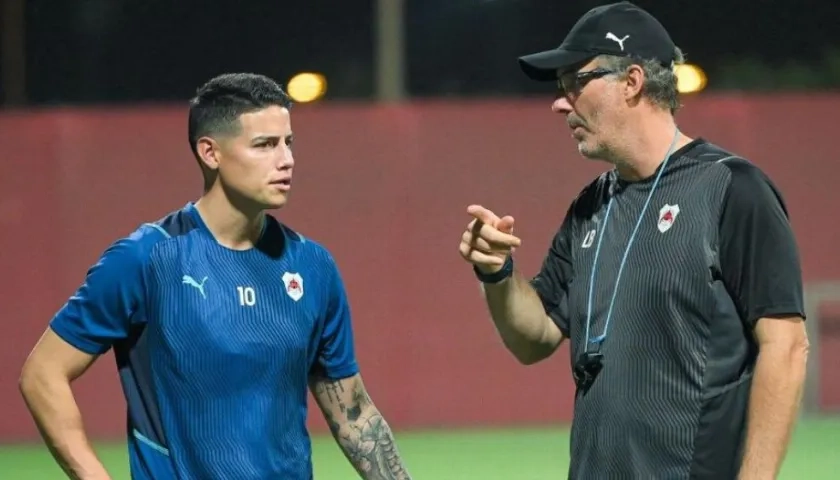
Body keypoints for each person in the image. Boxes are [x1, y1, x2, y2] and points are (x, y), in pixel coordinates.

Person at [458, 2, 809, 479]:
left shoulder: (734, 189)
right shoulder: (590, 206)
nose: (560, 101)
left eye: (575, 82)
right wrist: (496, 272)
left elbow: (786, 346)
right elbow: (534, 338)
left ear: (632, 81)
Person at [19, 73, 412, 480]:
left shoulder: (314, 267)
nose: (286, 160)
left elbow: (354, 416)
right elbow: (42, 374)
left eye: (288, 142)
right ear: (210, 153)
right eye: (264, 145)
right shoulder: (146, 259)